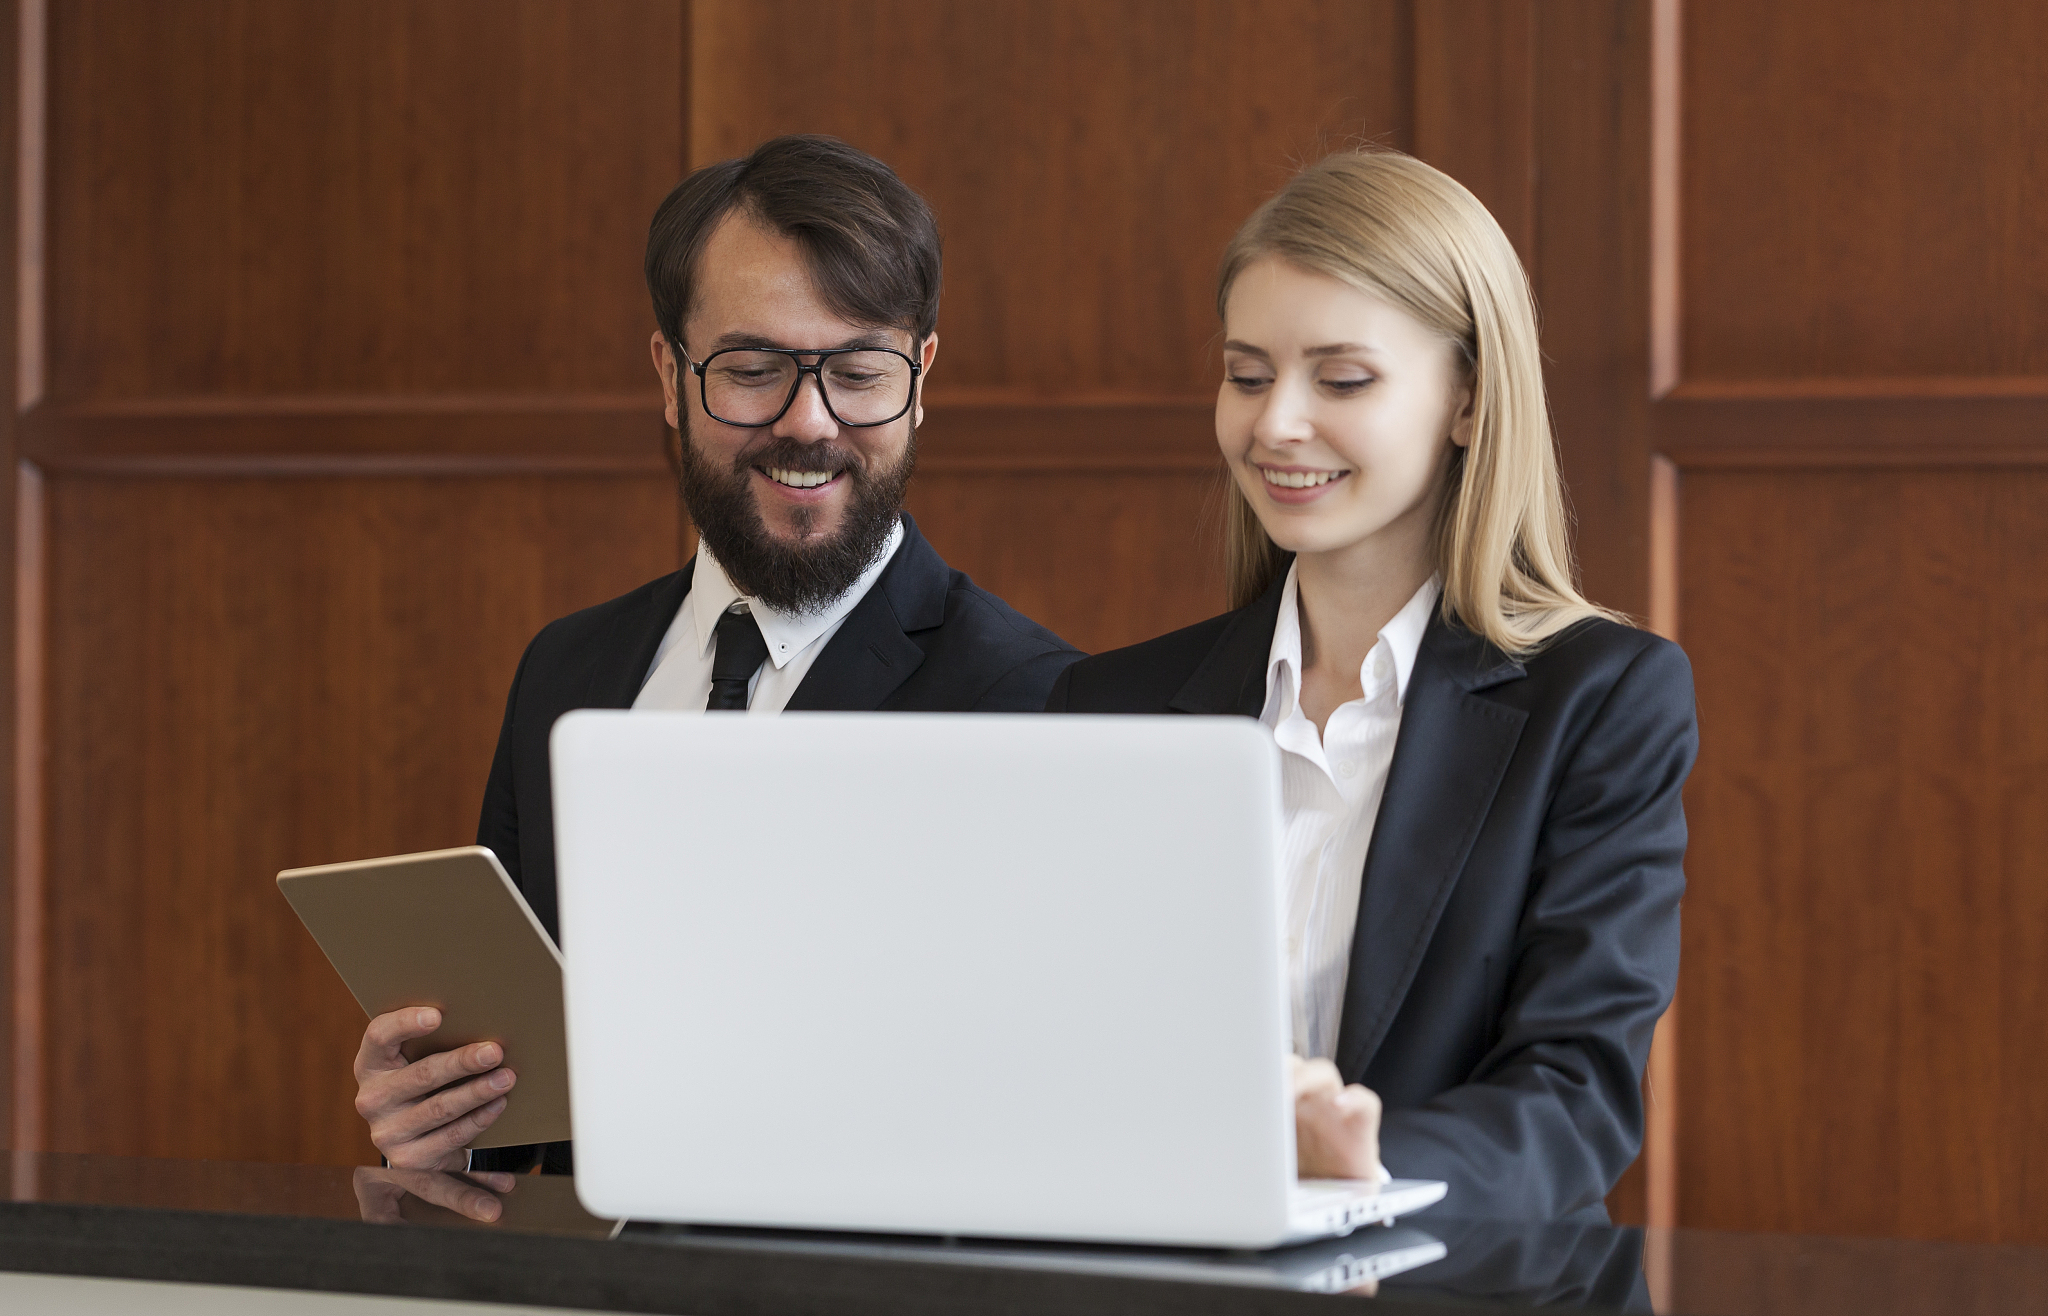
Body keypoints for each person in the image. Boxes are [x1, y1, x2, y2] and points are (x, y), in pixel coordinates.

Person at [353, 135, 1078, 1173]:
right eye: (751, 369)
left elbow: (1038, 1125)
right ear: (669, 374)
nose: (807, 422)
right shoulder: (563, 670)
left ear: (919, 377)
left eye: (858, 371)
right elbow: (518, 1092)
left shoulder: (1041, 703)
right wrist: (443, 1120)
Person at [1046, 148, 1696, 1221]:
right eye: (1246, 374)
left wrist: (1364, 1165)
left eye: (1340, 379)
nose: (1273, 424)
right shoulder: (1103, 706)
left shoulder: (1600, 698)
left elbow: (1574, 1097)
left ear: (1469, 402)